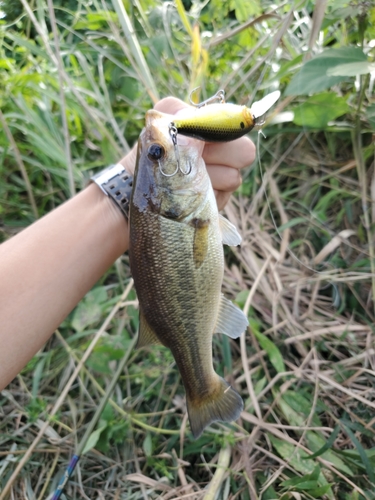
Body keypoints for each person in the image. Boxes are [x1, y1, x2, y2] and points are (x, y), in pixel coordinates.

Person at [0, 97, 255, 391]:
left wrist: (123, 187)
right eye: (157, 153)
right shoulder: (184, 210)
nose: (156, 148)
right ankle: (203, 388)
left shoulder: (180, 208)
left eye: (155, 153)